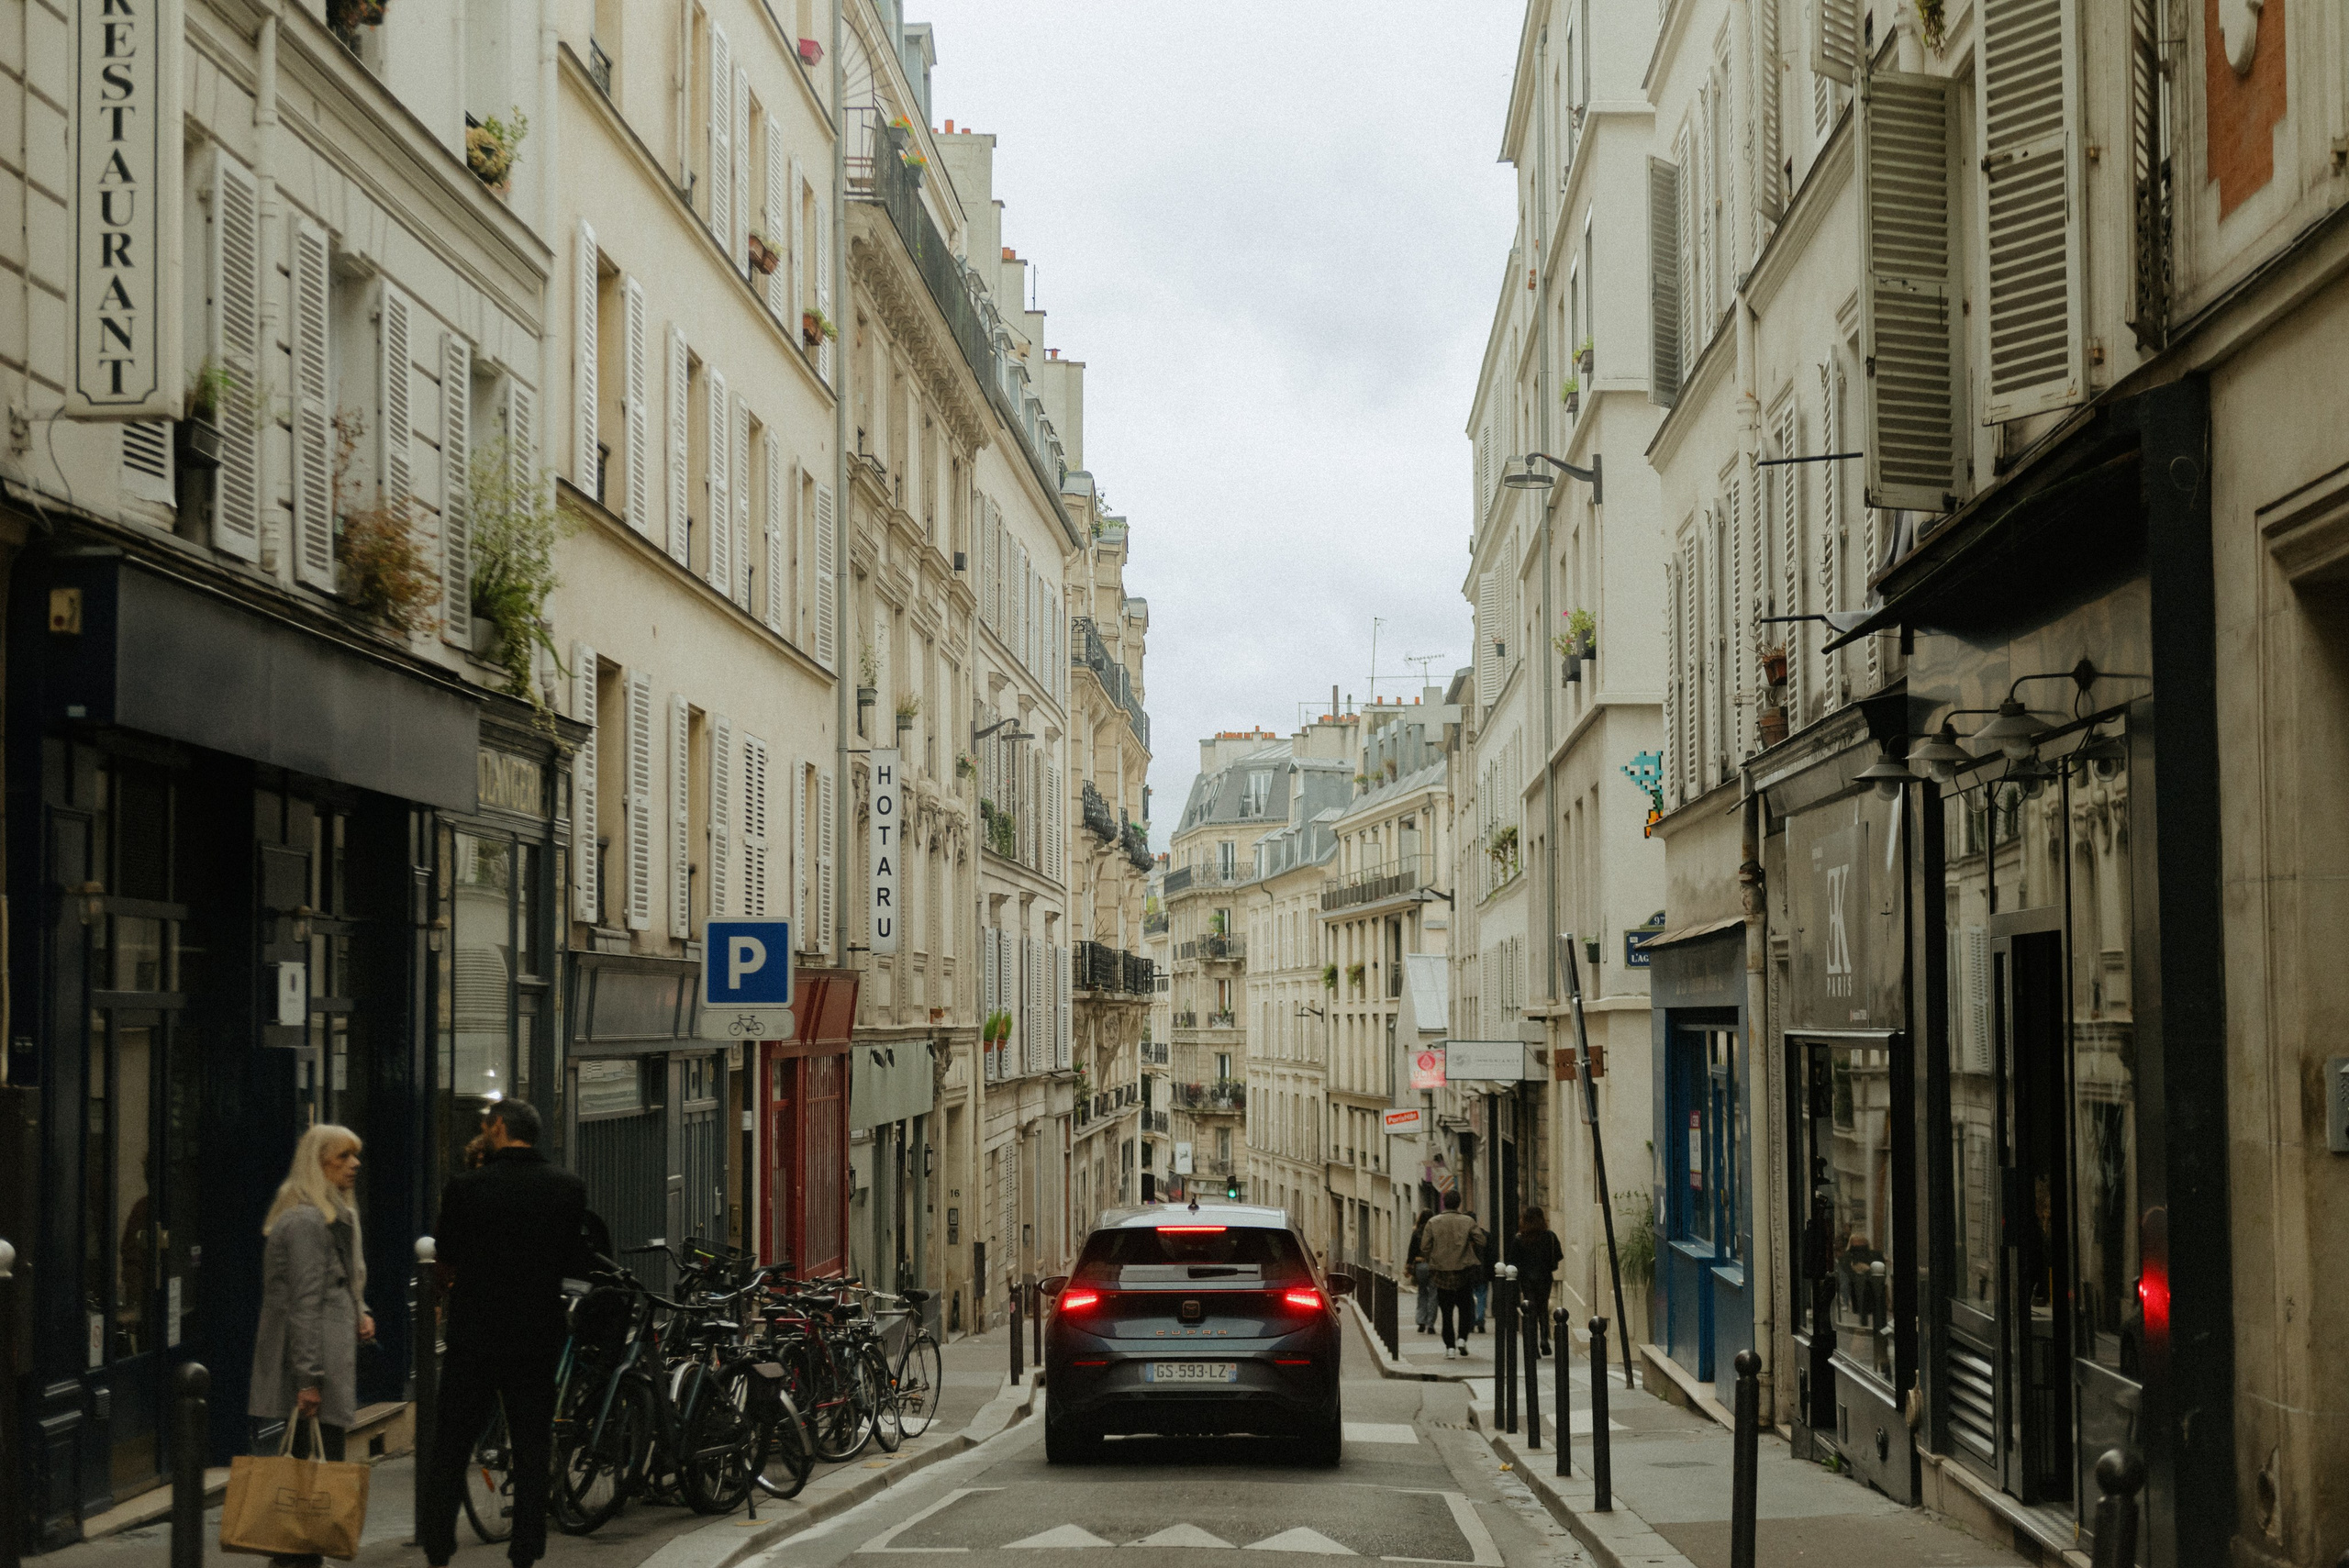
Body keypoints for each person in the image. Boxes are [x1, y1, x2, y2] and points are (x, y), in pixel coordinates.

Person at [419, 1100, 591, 1568]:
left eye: (486, 1124)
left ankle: (438, 1544)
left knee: (452, 1442)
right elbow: (573, 1260)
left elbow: (447, 1254)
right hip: (536, 1331)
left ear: (498, 1127)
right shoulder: (567, 1187)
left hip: (475, 1331)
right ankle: (526, 1548)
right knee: (532, 1443)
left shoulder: (466, 1187)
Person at [249, 1125, 375, 1567]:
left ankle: (301, 1560)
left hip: (325, 1355)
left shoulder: (334, 1213)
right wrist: (308, 1380)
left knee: (313, 1478)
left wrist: (359, 1310)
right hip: (313, 1362)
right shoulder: (306, 1220)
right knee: (308, 1481)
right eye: (343, 1157)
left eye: (355, 1155)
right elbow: (302, 1304)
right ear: (317, 1164)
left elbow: (339, 1280)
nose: (354, 1164)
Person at [1419, 1191, 1486, 1359]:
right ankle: (1462, 1339)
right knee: (1465, 1308)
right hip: (1463, 1271)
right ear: (1459, 1203)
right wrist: (1467, 1243)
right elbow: (1482, 1240)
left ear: (1444, 1202)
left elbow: (1424, 1247)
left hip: (1441, 1273)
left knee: (1446, 1312)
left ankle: (1450, 1347)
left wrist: (1435, 1256)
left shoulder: (1433, 1222)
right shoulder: (1468, 1221)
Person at [1508, 1207, 1564, 1356]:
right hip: (1545, 1277)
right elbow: (1558, 1256)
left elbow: (1513, 1261)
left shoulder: (1520, 1239)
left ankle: (1533, 1345)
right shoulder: (1550, 1236)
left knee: (1530, 1311)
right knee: (1543, 1307)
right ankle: (1544, 1339)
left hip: (1527, 1279)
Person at [1407, 1208, 1438, 1334]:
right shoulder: (1436, 1231)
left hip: (1420, 1265)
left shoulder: (1417, 1232)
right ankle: (1430, 1324)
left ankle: (1421, 1321)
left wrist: (1408, 1264)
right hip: (1434, 1266)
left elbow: (1411, 1250)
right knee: (1433, 1294)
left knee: (1422, 1292)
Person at [1468, 1210, 1496, 1332]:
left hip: (1468, 1272)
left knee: (1469, 1297)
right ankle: (1480, 1319)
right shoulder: (1485, 1235)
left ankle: (1471, 1321)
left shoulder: (1463, 1237)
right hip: (1482, 1271)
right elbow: (1491, 1256)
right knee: (1481, 1296)